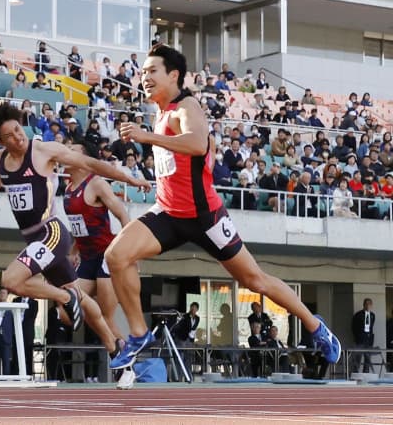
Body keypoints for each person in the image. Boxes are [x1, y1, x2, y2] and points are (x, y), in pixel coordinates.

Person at [104, 44, 342, 372]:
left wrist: (147, 137)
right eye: (142, 72)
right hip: (169, 213)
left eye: (152, 71)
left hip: (206, 218)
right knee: (116, 256)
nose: (144, 77)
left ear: (173, 75)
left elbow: (197, 143)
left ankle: (316, 328)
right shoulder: (159, 112)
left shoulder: (185, 107)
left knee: (255, 281)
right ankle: (139, 333)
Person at [0, 103, 151, 369]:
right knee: (82, 297)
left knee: (11, 280)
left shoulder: (44, 151)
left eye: (19, 129)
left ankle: (64, 298)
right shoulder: (0, 160)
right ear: (0, 141)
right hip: (35, 241)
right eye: (9, 136)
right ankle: (117, 351)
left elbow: (90, 163)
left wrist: (130, 179)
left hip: (52, 233)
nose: (18, 137)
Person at [63, 142, 128, 342]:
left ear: (83, 160)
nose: (65, 153)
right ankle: (118, 348)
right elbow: (79, 225)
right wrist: (74, 249)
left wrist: (128, 253)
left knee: (107, 318)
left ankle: (127, 361)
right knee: (66, 313)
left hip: (107, 256)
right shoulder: (68, 188)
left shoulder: (97, 184)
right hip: (87, 257)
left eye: (71, 151)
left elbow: (123, 216)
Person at [351, 298, 375, 373]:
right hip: (360, 339)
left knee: (367, 358)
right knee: (358, 357)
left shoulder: (372, 315)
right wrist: (357, 336)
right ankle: (355, 374)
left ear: (371, 305)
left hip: (369, 339)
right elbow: (353, 326)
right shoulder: (358, 315)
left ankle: (366, 373)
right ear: (364, 305)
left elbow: (371, 326)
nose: (368, 306)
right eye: (366, 304)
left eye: (369, 304)